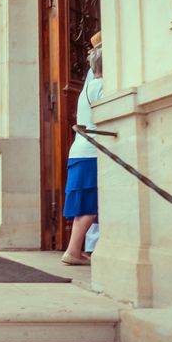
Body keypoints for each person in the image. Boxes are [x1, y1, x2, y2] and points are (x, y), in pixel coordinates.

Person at [61, 31, 103, 266]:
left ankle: (74, 250)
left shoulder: (87, 88)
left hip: (78, 152)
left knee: (85, 206)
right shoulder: (104, 85)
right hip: (91, 153)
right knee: (91, 204)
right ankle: (73, 251)